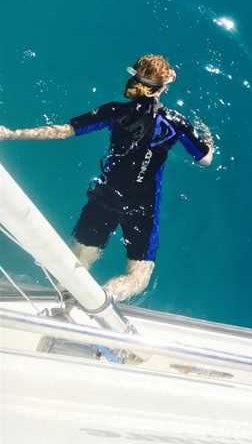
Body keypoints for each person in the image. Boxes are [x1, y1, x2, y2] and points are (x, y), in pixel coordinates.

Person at [0, 54, 213, 301]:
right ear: (164, 86)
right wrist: (208, 140)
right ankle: (103, 298)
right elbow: (205, 159)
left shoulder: (115, 111)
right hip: (141, 206)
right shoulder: (176, 122)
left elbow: (64, 131)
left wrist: (11, 134)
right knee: (139, 277)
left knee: (77, 265)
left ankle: (65, 298)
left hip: (105, 196)